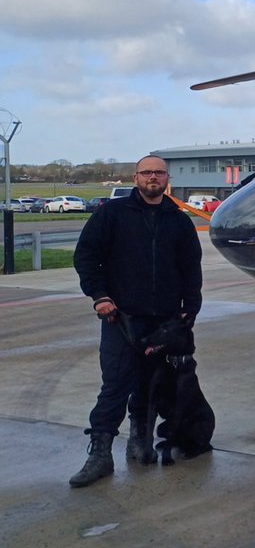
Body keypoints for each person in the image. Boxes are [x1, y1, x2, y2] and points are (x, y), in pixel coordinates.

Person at [69, 155, 203, 487]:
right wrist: (99, 295)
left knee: (153, 385)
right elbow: (86, 256)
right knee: (115, 385)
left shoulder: (178, 220)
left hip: (165, 321)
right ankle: (100, 453)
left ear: (166, 178)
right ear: (136, 178)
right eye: (147, 173)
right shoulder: (112, 215)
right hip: (121, 318)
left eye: (159, 173)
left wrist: (192, 305)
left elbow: (191, 266)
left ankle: (139, 440)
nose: (153, 177)